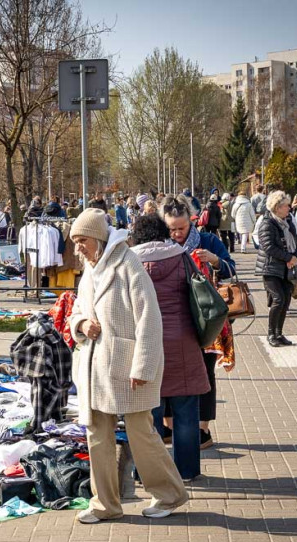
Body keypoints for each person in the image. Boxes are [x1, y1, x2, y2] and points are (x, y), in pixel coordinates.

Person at [67, 209, 189, 523]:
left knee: (142, 434)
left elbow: (150, 319)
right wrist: (81, 324)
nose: (78, 248)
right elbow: (78, 309)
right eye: (76, 241)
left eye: (82, 240)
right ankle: (104, 504)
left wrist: (143, 367)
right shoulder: (89, 270)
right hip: (95, 367)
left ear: (97, 238)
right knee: (97, 434)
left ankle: (169, 495)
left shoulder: (128, 263)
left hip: (128, 366)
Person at [130, 213, 210, 480]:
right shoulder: (182, 257)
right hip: (183, 340)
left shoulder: (129, 264)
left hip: (144, 344)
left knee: (146, 414)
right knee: (186, 410)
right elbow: (199, 291)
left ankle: (146, 471)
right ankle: (186, 471)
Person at [161, 195, 236, 449]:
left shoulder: (208, 240)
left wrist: (214, 260)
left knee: (204, 373)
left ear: (191, 222)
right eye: (171, 228)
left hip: (205, 321)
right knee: (168, 371)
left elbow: (231, 269)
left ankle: (203, 429)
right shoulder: (160, 245)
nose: (177, 233)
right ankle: (168, 427)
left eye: (181, 228)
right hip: (173, 320)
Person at [255, 191, 297, 348]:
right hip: (270, 268)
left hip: (287, 268)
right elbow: (268, 247)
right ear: (277, 207)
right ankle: (271, 334)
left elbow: (296, 241)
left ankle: (279, 333)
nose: (289, 208)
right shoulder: (267, 223)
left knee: (286, 300)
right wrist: (288, 258)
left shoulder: (288, 221)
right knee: (278, 299)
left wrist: (294, 256)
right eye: (286, 205)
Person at [232, 186, 255, 253]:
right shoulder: (248, 204)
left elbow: (232, 214)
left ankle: (242, 246)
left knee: (241, 233)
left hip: (238, 221)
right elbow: (252, 214)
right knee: (245, 234)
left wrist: (235, 218)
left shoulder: (236, 204)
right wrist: (254, 221)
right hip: (247, 221)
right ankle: (243, 248)